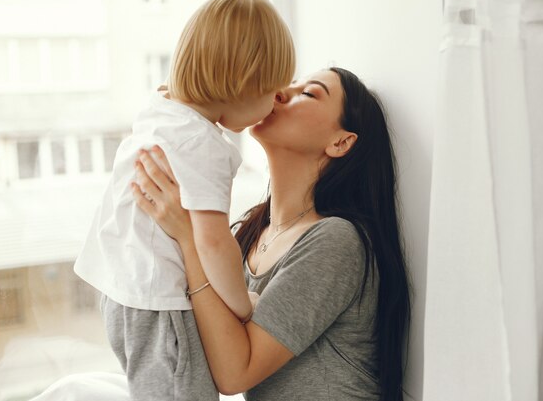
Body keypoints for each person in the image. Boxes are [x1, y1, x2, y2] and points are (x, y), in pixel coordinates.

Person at [131, 67, 411, 400]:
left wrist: (189, 238)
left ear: (340, 141)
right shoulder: (250, 233)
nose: (279, 93)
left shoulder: (337, 240)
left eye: (308, 93)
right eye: (288, 85)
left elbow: (236, 372)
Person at [71, 0, 295, 401]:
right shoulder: (202, 144)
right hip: (157, 302)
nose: (277, 101)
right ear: (244, 84)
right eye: (274, 89)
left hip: (120, 293)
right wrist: (242, 305)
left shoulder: (162, 109)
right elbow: (212, 241)